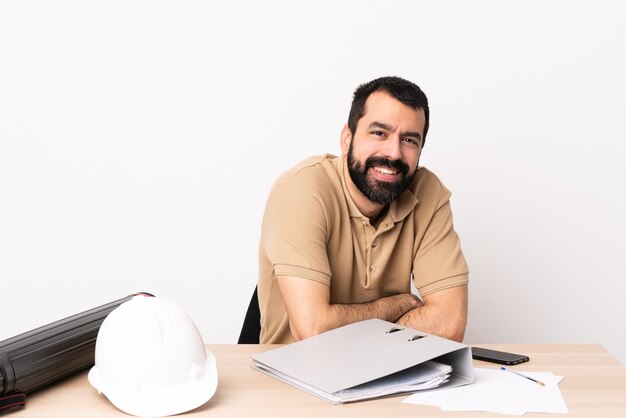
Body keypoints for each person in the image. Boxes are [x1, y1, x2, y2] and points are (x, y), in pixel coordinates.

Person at [257, 76, 469, 344]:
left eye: (409, 140)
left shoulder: (428, 193)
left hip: (385, 375)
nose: (393, 153)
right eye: (379, 133)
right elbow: (312, 331)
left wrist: (352, 328)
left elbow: (450, 324)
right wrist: (395, 306)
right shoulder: (300, 191)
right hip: (293, 375)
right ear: (347, 139)